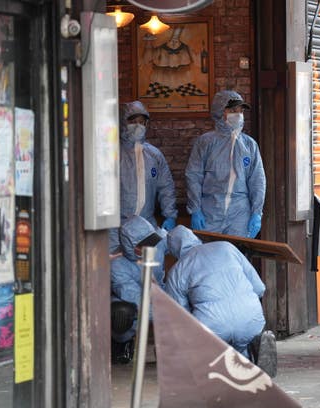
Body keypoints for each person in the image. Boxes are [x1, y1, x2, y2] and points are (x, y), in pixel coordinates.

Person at [164, 225, 276, 376]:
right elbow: (259, 287)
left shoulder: (177, 271)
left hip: (213, 326)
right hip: (251, 319)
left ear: (173, 250)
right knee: (241, 341)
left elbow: (181, 317)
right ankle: (251, 351)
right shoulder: (226, 247)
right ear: (194, 237)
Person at [185, 90, 266, 238]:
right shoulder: (206, 142)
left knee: (236, 256)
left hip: (240, 214)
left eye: (241, 111)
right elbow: (194, 176)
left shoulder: (249, 145)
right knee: (210, 256)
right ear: (219, 112)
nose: (238, 114)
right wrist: (195, 209)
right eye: (233, 110)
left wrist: (256, 213)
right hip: (210, 210)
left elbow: (257, 181)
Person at [109, 215, 168, 364]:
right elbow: (136, 299)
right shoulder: (118, 266)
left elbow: (181, 238)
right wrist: (169, 313)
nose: (150, 248)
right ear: (130, 245)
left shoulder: (159, 241)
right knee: (121, 312)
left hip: (163, 292)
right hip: (137, 302)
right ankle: (122, 343)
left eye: (152, 242)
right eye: (143, 245)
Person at [120, 100, 177, 231]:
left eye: (141, 122)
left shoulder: (154, 155)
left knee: (149, 252)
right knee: (116, 252)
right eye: (133, 121)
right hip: (117, 227)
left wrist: (170, 215)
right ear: (123, 123)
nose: (138, 126)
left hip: (147, 225)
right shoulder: (113, 154)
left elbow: (166, 187)